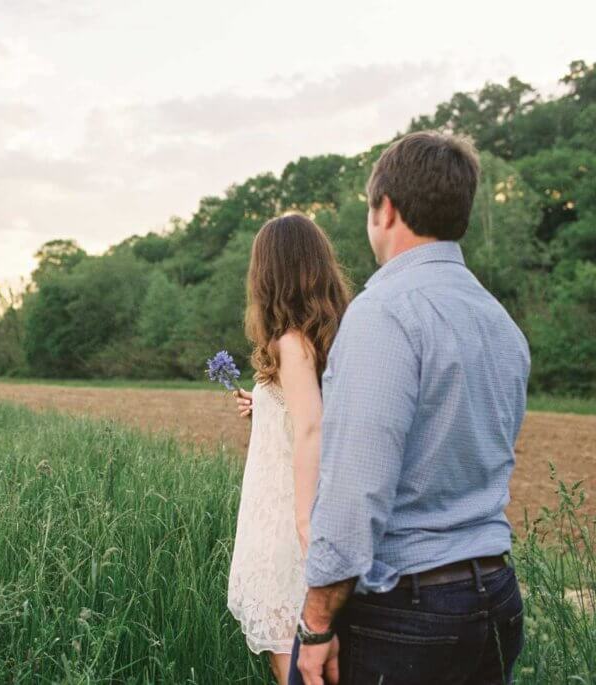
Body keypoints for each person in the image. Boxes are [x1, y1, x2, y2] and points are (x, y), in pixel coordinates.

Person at [292, 131, 531, 685]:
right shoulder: (499, 321)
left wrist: (317, 623)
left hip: (406, 611)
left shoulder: (384, 313)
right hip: (495, 595)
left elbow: (356, 491)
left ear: (387, 210)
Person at [228, 213, 351, 684]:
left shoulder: (292, 343)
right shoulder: (320, 339)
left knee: (296, 665)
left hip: (290, 523)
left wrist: (305, 529)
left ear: (269, 273)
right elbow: (309, 416)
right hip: (293, 515)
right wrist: (264, 408)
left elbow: (311, 431)